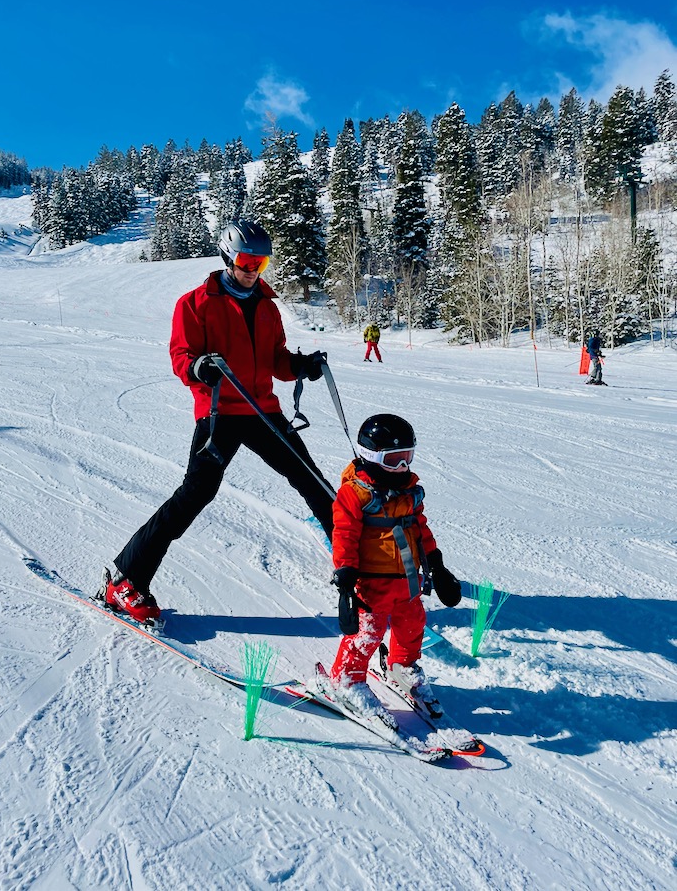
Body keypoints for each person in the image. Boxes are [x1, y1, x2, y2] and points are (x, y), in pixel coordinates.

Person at [101, 219, 335, 627]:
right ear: (228, 256)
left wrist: (300, 365)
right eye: (246, 260)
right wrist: (198, 367)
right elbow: (180, 357)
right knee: (196, 493)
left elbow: (276, 360)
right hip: (219, 414)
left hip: (263, 411)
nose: (252, 269)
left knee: (311, 479)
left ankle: (356, 566)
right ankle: (126, 578)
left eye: (260, 263)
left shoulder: (266, 304)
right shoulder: (194, 303)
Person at [324, 413, 462, 723]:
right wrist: (345, 573)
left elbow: (420, 529)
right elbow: (344, 533)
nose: (402, 467)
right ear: (372, 457)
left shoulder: (410, 492)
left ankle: (402, 666)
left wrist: (437, 566)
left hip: (408, 581)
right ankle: (348, 678)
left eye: (407, 458)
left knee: (413, 625)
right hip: (372, 583)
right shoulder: (356, 493)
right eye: (393, 460)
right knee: (367, 633)